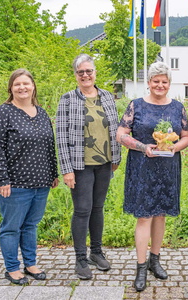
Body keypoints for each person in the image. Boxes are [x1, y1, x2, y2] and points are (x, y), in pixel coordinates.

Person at [116, 62, 188, 292]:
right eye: (156, 81)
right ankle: (140, 266)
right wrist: (141, 146)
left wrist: (174, 148)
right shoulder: (136, 105)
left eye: (164, 81)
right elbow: (120, 134)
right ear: (149, 83)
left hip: (168, 167)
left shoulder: (178, 107)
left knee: (160, 215)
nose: (160, 85)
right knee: (144, 217)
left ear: (169, 84)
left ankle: (155, 261)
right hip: (142, 166)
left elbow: (186, 136)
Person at [0, 69, 59, 285]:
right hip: (14, 184)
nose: (22, 87)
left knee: (31, 225)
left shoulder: (42, 112)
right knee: (12, 227)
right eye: (17, 84)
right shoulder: (2, 113)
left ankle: (30, 264)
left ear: (33, 86)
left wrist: (53, 173)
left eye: (26, 83)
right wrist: (2, 180)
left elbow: (49, 145)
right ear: (11, 88)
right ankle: (12, 268)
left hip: (41, 182)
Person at [56, 54, 121, 280]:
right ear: (76, 75)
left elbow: (115, 129)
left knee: (97, 208)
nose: (85, 75)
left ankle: (96, 252)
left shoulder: (106, 96)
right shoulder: (67, 99)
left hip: (104, 163)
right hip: (80, 165)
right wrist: (66, 169)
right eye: (81, 72)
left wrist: (116, 158)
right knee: (82, 210)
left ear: (95, 73)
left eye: (89, 71)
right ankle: (80, 258)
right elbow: (61, 137)